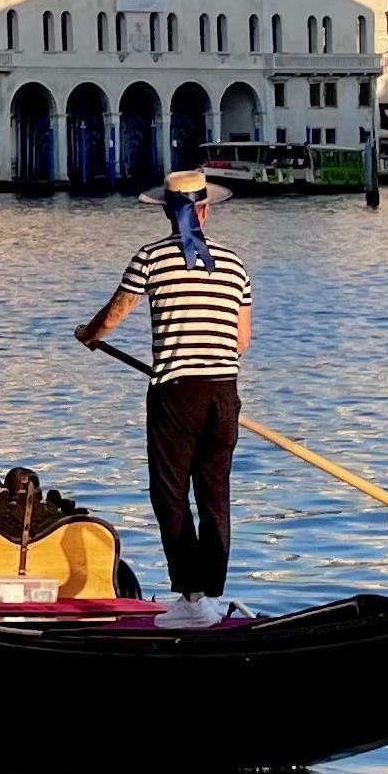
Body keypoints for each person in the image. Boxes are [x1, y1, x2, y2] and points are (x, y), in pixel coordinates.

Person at [76, 166, 254, 612]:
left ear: (167, 215)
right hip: (223, 393)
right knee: (214, 496)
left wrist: (89, 335)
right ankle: (211, 594)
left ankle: (191, 594)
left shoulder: (150, 258)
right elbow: (242, 340)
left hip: (176, 393)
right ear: (205, 211)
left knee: (169, 491)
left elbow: (114, 315)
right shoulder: (235, 266)